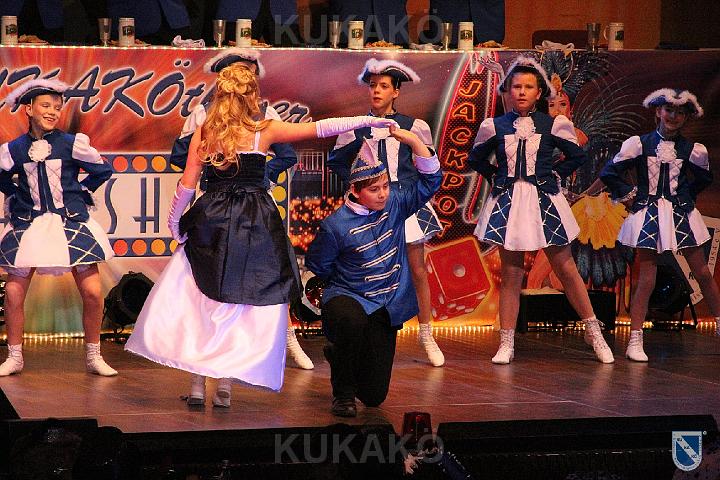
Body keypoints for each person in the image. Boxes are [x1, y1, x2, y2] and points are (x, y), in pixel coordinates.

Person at [125, 61, 398, 407]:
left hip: (213, 218)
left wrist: (175, 223)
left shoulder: (207, 132)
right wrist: (365, 120)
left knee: (201, 300)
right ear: (251, 96)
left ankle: (199, 383)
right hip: (252, 222)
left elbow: (187, 185)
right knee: (238, 301)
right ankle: (223, 383)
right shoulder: (261, 130)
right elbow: (319, 128)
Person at [169, 48, 314, 370]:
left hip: (253, 208)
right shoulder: (202, 115)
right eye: (241, 70)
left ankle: (288, 340)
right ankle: (206, 359)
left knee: (270, 272)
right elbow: (182, 159)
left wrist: (258, 173)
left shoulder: (265, 115)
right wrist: (219, 166)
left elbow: (287, 156)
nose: (246, 76)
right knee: (210, 281)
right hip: (217, 206)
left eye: (251, 71)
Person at [470, 55, 614, 364]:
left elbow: (576, 156)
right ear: (508, 91)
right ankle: (506, 341)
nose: (521, 92)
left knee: (566, 267)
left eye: (528, 87)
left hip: (544, 200)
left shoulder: (553, 124)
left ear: (539, 93)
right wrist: (497, 177)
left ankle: (593, 331)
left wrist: (554, 174)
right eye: (516, 86)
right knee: (512, 272)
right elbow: (476, 159)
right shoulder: (494, 126)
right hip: (509, 202)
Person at [306, 135, 442, 417]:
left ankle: (339, 354)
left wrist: (412, 141)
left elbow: (431, 181)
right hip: (348, 295)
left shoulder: (396, 204)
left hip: (385, 303)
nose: (383, 194)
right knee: (349, 321)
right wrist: (346, 283)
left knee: (373, 396)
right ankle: (343, 394)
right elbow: (319, 265)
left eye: (385, 187)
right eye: (374, 189)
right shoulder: (336, 226)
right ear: (355, 191)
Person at [328, 58, 445, 367]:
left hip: (403, 204)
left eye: (383, 86)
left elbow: (426, 161)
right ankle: (369, 331)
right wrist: (361, 187)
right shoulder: (355, 126)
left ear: (396, 92)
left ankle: (426, 334)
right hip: (371, 208)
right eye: (373, 86)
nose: (376, 91)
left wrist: (409, 189)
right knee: (367, 268)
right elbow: (337, 162)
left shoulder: (413, 126)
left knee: (417, 269)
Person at [0, 79, 117, 377]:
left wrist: (80, 192)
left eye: (57, 107)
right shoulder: (14, 149)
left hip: (71, 221)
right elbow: (1, 176)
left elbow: (102, 169)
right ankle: (15, 356)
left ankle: (94, 356)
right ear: (29, 109)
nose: (53, 111)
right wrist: (16, 195)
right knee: (13, 292)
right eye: (46, 106)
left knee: (92, 291)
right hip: (30, 224)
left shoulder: (71, 143)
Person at [600, 88, 720, 360]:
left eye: (680, 113)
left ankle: (719, 323)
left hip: (680, 213)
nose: (673, 116)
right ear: (658, 112)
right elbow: (610, 172)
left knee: (702, 272)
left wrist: (685, 196)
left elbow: (704, 178)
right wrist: (630, 195)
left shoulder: (692, 149)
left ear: (686, 117)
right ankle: (635, 339)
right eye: (669, 110)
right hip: (648, 212)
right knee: (647, 278)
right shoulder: (640, 144)